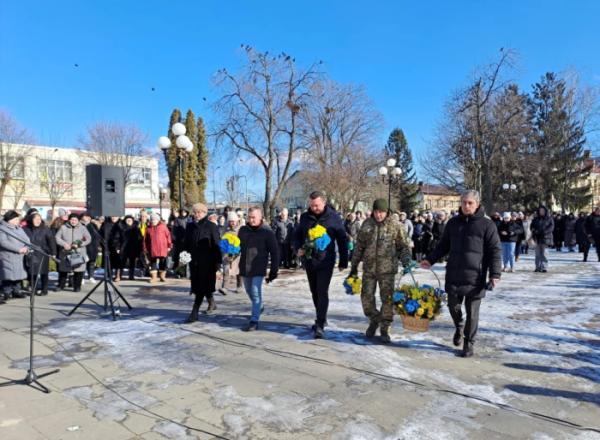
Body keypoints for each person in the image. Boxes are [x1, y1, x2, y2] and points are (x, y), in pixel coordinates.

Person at [421, 190, 501, 358]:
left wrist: (495, 274)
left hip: (476, 277)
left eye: (470, 203)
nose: (466, 206)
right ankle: (458, 326)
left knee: (472, 313)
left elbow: (495, 250)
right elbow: (443, 245)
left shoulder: (487, 225)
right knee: (453, 307)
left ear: (477, 204)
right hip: (454, 274)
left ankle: (468, 343)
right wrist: (430, 259)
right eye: (464, 202)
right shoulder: (453, 223)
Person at [350, 199, 412, 343]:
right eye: (376, 212)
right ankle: (374, 319)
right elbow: (359, 247)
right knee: (366, 297)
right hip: (369, 269)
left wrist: (406, 260)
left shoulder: (395, 226)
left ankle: (385, 328)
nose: (378, 215)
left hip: (387, 270)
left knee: (388, 300)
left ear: (387, 212)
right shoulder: (367, 224)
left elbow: (404, 246)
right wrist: (353, 267)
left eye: (381, 212)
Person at [293, 191, 348, 339]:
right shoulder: (305, 217)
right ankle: (321, 315)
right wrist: (297, 248)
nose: (314, 208)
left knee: (322, 291)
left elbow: (342, 239)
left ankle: (320, 323)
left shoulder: (334, 218)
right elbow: (297, 236)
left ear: (323, 203)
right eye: (311, 206)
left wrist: (343, 261)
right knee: (314, 291)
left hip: (326, 261)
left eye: (316, 205)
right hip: (309, 261)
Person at [237, 206, 279, 331]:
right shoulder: (243, 230)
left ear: (260, 217)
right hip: (245, 266)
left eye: (254, 217)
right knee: (249, 291)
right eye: (249, 217)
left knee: (255, 293)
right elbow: (237, 245)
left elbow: (275, 252)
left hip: (259, 266)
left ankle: (254, 320)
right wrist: (230, 251)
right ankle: (259, 306)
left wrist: (273, 271)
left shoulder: (267, 232)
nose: (251, 220)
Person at [184, 203, 222, 322]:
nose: (197, 214)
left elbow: (216, 244)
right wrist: (183, 256)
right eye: (195, 212)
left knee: (201, 286)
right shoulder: (190, 226)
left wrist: (218, 263)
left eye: (199, 212)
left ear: (205, 213)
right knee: (198, 285)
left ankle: (194, 312)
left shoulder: (211, 226)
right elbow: (186, 243)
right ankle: (212, 303)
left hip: (208, 262)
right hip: (194, 261)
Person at [55, 213, 92, 292]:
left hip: (79, 252)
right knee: (63, 270)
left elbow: (88, 239)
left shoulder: (83, 228)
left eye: (75, 220)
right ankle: (61, 285)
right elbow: (57, 237)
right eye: (72, 219)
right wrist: (64, 244)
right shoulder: (63, 227)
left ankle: (77, 286)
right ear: (69, 220)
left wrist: (80, 244)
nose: (73, 221)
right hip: (66, 252)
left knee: (78, 270)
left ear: (78, 220)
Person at [0, 210, 31, 302]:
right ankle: (6, 292)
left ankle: (16, 291)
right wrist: (18, 249)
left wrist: (26, 248)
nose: (18, 221)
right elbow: (3, 242)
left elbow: (27, 239)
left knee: (18, 274)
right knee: (8, 275)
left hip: (20, 256)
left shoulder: (19, 228)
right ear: (10, 219)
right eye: (16, 219)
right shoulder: (2, 228)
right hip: (8, 255)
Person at [23, 212, 57, 296]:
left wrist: (53, 253)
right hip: (30, 253)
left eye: (39, 219)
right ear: (31, 220)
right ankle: (33, 289)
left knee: (43, 272)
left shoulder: (45, 229)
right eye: (36, 219)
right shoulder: (25, 229)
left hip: (43, 253)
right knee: (32, 272)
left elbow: (51, 241)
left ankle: (44, 289)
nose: (38, 221)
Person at [144, 213, 172, 283]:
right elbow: (145, 240)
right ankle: (154, 277)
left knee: (163, 262)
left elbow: (168, 236)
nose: (153, 221)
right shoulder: (148, 228)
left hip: (162, 248)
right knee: (153, 263)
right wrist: (145, 249)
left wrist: (169, 246)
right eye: (152, 220)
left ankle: (162, 276)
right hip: (152, 249)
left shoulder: (163, 227)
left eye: (155, 220)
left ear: (158, 220)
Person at [219, 212, 242, 294]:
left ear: (237, 221)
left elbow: (243, 241)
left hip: (237, 253)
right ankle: (225, 287)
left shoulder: (241, 229)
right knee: (226, 269)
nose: (232, 223)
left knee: (238, 269)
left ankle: (239, 286)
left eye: (233, 221)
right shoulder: (225, 230)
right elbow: (221, 239)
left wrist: (238, 249)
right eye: (230, 221)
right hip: (226, 253)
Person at [117, 215, 143, 281]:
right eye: (127, 220)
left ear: (132, 221)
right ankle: (118, 276)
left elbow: (140, 238)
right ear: (125, 221)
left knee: (132, 262)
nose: (129, 221)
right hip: (123, 247)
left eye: (130, 220)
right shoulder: (121, 228)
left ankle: (131, 276)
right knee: (121, 262)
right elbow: (117, 238)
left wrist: (140, 248)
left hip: (133, 248)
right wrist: (118, 247)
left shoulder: (136, 228)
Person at [530, 206, 555, 272]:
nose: (541, 212)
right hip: (537, 238)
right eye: (540, 210)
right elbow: (531, 227)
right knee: (537, 253)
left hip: (546, 238)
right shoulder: (535, 219)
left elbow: (551, 227)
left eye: (543, 210)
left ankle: (544, 267)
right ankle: (537, 267)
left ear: (545, 211)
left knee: (544, 253)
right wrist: (534, 231)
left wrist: (545, 232)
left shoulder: (549, 218)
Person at [80, 212, 100, 281]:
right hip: (83, 246)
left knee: (91, 262)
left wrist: (97, 245)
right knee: (83, 262)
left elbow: (97, 236)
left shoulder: (93, 225)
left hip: (93, 246)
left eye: (89, 216)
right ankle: (81, 277)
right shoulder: (80, 225)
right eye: (85, 216)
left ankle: (91, 276)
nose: (87, 218)